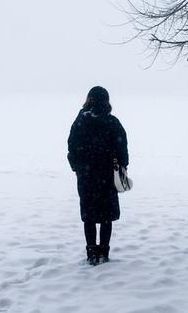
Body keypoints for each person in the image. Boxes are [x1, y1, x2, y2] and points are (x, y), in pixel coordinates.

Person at [67, 86, 129, 265]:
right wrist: (122, 168)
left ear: (89, 99)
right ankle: (104, 252)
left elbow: (72, 148)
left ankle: (91, 253)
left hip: (87, 176)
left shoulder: (80, 122)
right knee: (106, 216)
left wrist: (78, 168)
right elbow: (122, 149)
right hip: (107, 176)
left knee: (89, 216)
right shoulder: (113, 122)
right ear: (106, 101)